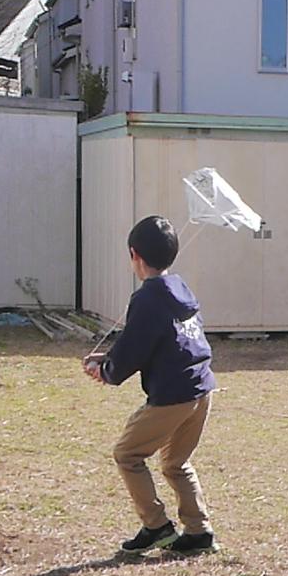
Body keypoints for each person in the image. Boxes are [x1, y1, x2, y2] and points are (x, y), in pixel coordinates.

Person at [82, 216, 218, 555]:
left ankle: (156, 526)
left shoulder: (147, 298)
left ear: (134, 254)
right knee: (175, 463)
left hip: (173, 396)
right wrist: (110, 359)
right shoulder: (180, 288)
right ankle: (199, 532)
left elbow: (135, 347)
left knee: (127, 454)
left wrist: (107, 371)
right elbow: (159, 340)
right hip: (201, 389)